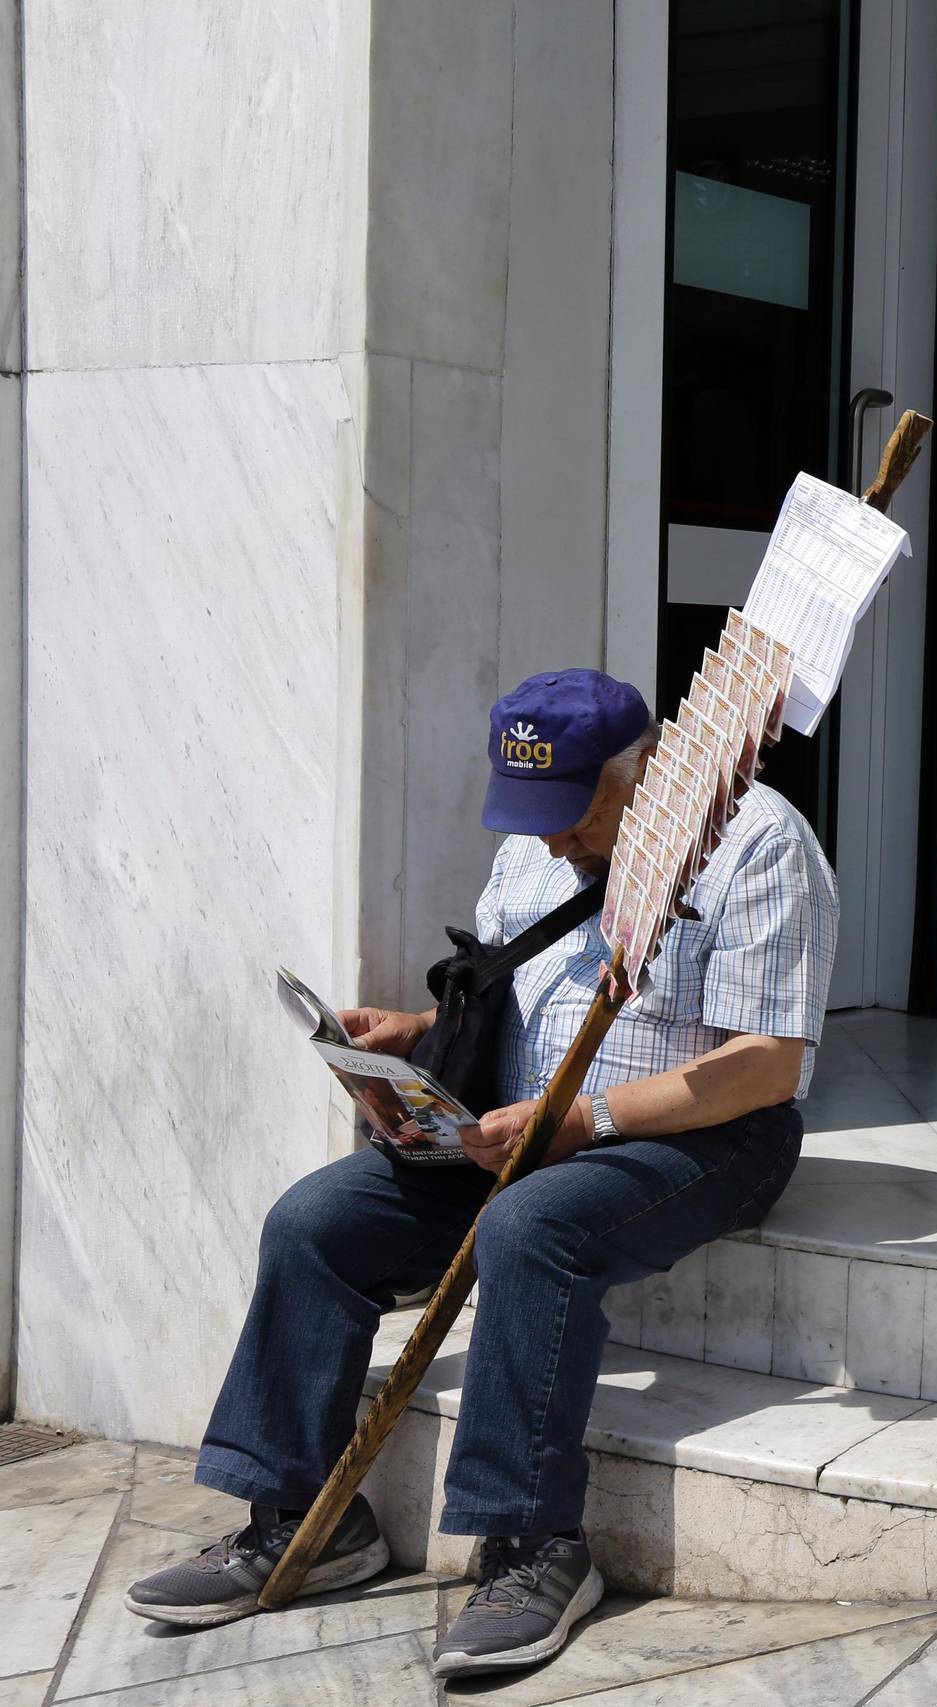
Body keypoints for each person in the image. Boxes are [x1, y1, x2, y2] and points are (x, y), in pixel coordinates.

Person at [125, 669, 840, 1677]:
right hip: (523, 1125)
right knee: (312, 1223)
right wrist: (414, 1044)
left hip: (702, 1137)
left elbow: (765, 1065)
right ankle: (303, 1516)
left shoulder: (757, 842)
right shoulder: (528, 852)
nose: (549, 839)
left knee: (528, 1228)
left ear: (637, 771)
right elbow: (516, 996)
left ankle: (532, 1542)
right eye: (531, 814)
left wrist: (586, 1119)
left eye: (570, 811)